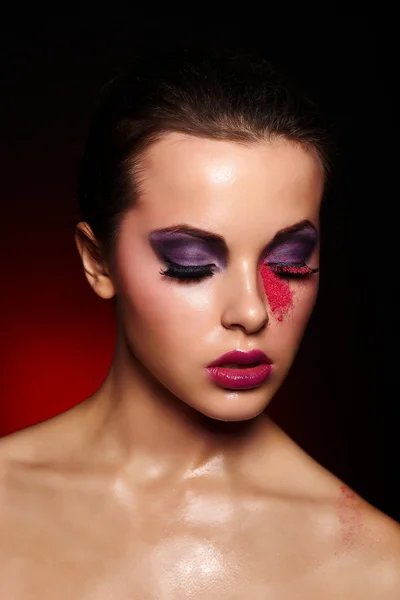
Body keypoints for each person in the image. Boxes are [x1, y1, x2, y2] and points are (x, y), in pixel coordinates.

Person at [0, 47, 399, 599]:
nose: (253, 310)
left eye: (288, 263)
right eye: (191, 264)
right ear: (98, 260)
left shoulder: (378, 567)